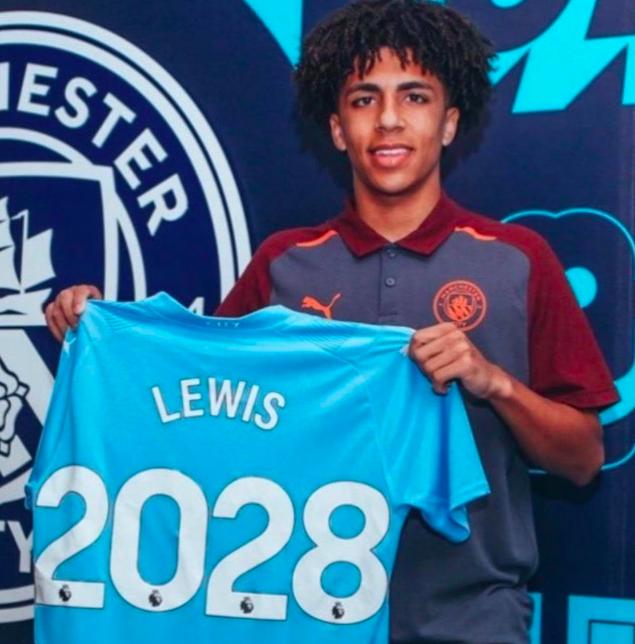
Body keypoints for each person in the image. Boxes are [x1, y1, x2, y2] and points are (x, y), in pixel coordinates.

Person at [45, 1, 618, 642]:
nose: (390, 119)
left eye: (415, 97)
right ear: (339, 129)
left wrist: (494, 383)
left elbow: (583, 460)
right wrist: (102, 337)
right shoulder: (283, 265)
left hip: (471, 618)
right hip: (300, 617)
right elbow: (198, 419)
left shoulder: (517, 260)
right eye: (364, 99)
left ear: (450, 122)